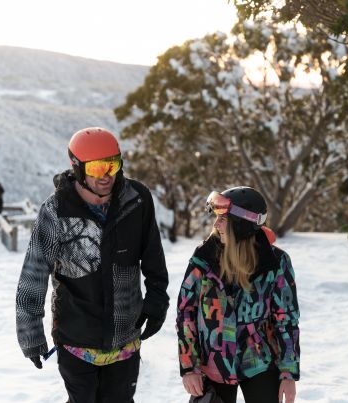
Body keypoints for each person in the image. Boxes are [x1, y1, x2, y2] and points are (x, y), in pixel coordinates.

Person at [16, 127, 170, 403]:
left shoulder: (136, 200)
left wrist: (158, 299)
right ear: (77, 168)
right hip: (76, 339)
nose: (107, 176)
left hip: (125, 336)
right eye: (98, 168)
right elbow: (34, 274)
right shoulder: (55, 212)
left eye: (113, 165)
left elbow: (153, 258)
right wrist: (30, 334)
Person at [177, 187, 300, 403]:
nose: (216, 225)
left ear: (242, 225)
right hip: (213, 365)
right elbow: (186, 313)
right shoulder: (203, 259)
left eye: (223, 220)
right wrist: (189, 367)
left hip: (258, 363)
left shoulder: (275, 263)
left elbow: (286, 319)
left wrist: (288, 373)